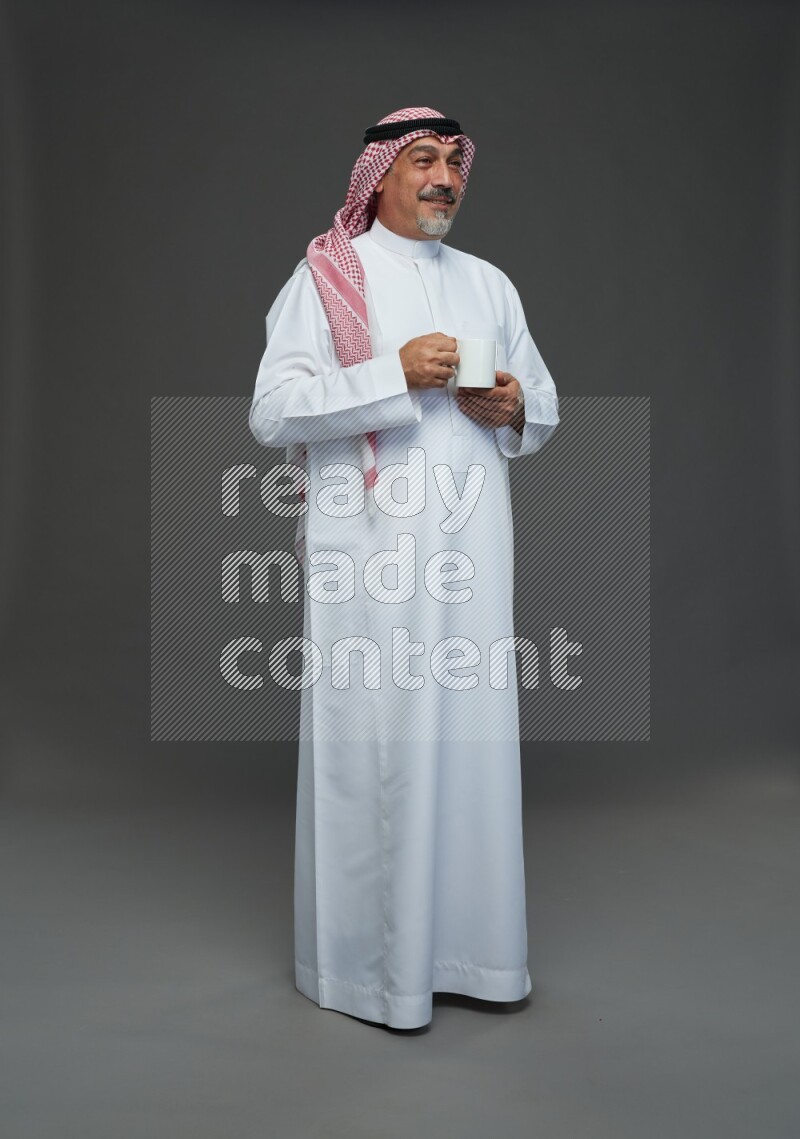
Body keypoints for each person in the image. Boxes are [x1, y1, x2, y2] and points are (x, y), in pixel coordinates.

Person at [248, 106, 559, 1029]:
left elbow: (541, 398)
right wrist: (394, 373)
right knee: (375, 749)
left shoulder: (489, 283)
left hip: (470, 558)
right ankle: (370, 974)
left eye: (453, 164)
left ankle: (476, 955)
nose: (442, 178)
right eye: (422, 160)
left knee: (470, 744)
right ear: (377, 176)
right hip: (370, 560)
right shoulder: (326, 279)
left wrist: (515, 409)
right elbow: (274, 411)